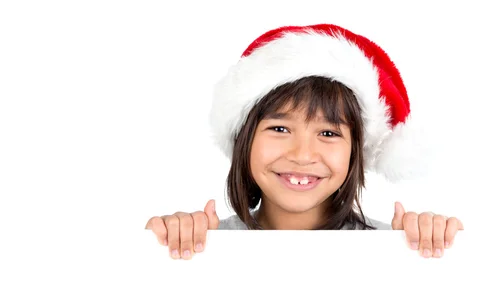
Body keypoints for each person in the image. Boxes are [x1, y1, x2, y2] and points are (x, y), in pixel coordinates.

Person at [145, 23, 464, 260]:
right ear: (245, 139)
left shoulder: (394, 248)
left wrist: (430, 245)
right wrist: (167, 243)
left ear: (356, 152)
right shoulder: (202, 247)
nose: (302, 154)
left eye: (328, 133)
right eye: (280, 129)